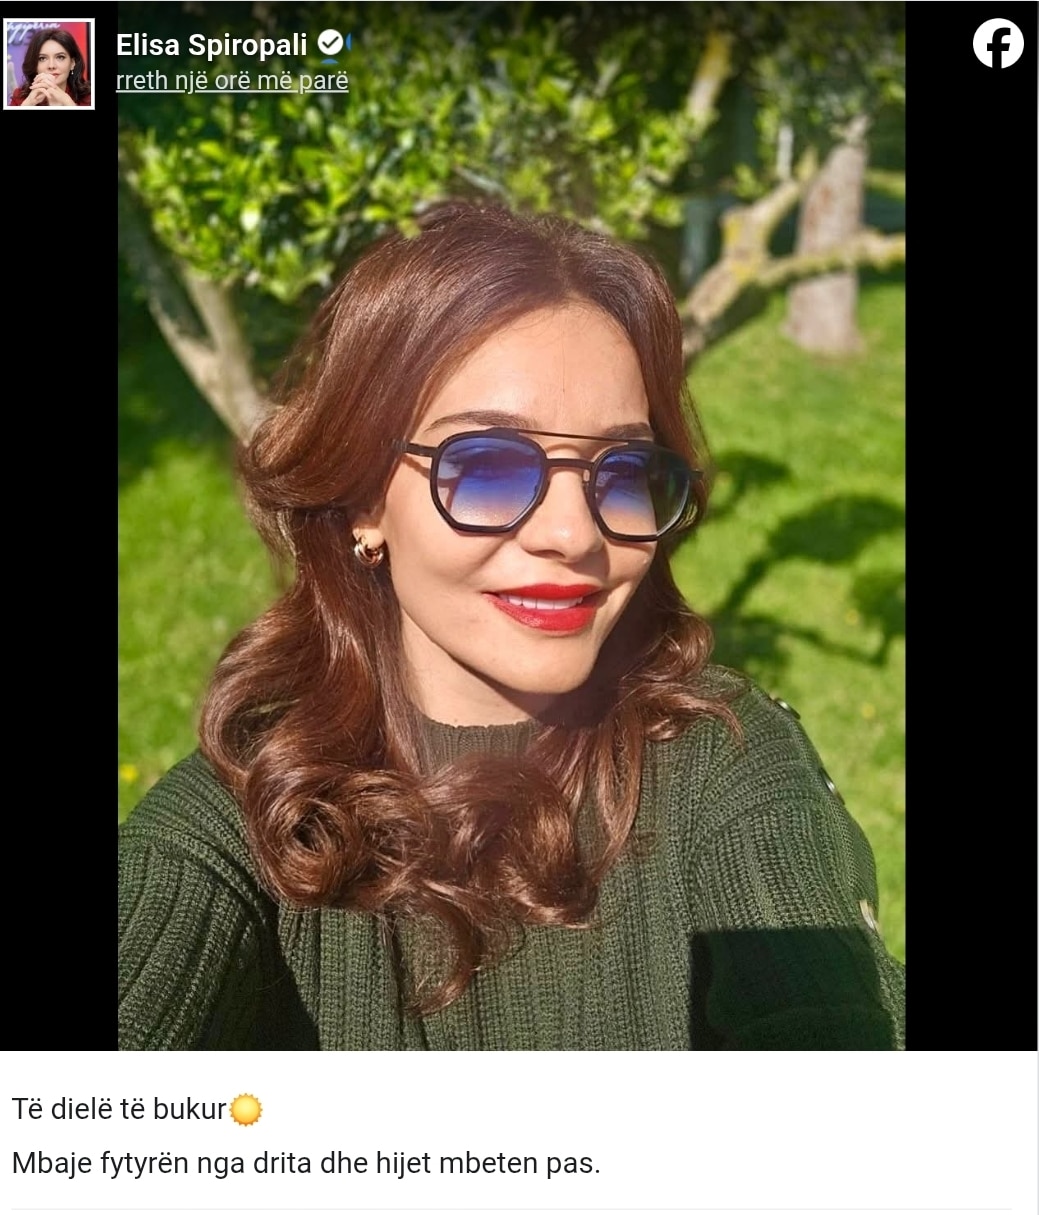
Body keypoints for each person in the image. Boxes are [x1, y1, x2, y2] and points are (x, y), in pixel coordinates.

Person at [119, 202, 905, 1050]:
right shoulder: (234, 825)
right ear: (362, 500)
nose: (573, 534)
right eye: (488, 465)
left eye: (622, 470)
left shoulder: (724, 764)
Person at [11, 27, 90, 106]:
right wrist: (28, 103)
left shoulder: (89, 98)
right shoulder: (20, 97)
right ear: (34, 65)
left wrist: (68, 102)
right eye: (42, 58)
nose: (51, 66)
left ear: (72, 63)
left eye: (60, 57)